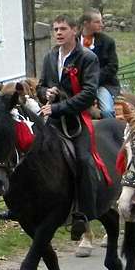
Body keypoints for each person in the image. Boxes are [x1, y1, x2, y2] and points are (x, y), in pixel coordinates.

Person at [38, 13, 103, 241]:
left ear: (74, 31)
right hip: (52, 121)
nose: (58, 33)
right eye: (55, 29)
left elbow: (88, 94)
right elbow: (40, 86)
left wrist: (59, 107)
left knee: (83, 160)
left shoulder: (87, 58)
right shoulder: (49, 57)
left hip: (77, 121)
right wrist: (45, 93)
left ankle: (83, 214)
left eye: (63, 29)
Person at [79, 9, 120, 119]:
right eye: (97, 22)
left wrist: (93, 80)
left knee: (106, 111)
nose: (101, 25)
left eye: (101, 21)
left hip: (103, 84)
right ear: (86, 23)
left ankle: (111, 131)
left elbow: (113, 67)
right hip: (77, 86)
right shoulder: (73, 41)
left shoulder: (108, 42)